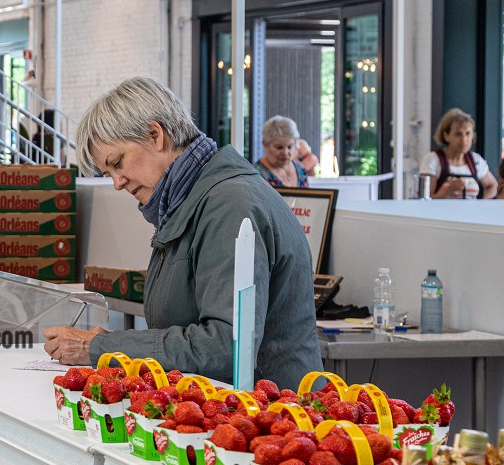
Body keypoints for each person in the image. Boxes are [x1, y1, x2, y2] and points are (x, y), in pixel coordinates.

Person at [42, 77, 321, 389]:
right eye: (109, 174)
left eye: (117, 163)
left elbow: (226, 345)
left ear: (155, 135)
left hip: (268, 421)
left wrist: (100, 349)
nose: (117, 182)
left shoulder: (229, 206)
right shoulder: (191, 203)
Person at [420, 108, 497, 199]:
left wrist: (482, 204)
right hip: (442, 212)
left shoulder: (476, 160)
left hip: (471, 213)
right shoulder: (433, 160)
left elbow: (492, 185)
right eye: (458, 134)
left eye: (468, 133)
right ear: (446, 136)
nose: (464, 140)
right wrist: (447, 190)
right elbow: (425, 199)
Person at [254, 116, 310, 189]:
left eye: (289, 147)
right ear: (265, 144)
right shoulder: (256, 174)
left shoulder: (300, 169)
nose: (285, 152)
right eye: (279, 147)